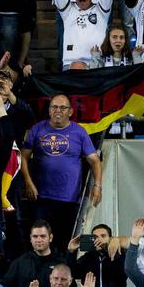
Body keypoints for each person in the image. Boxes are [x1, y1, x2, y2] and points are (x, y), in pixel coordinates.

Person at [20, 95, 103, 240]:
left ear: (70, 112)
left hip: (69, 199)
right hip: (41, 197)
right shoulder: (37, 129)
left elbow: (95, 161)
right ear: (49, 110)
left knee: (65, 241)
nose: (58, 111)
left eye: (63, 108)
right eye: (54, 107)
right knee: (40, 240)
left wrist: (97, 186)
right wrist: (28, 182)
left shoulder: (79, 132)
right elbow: (23, 157)